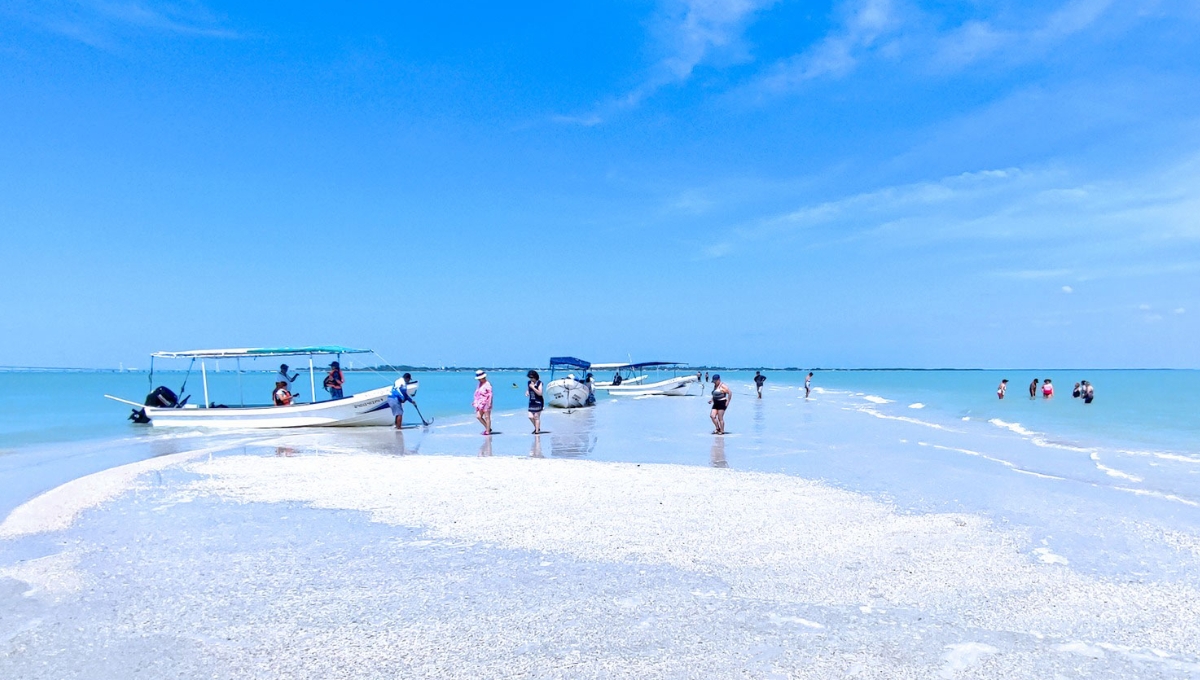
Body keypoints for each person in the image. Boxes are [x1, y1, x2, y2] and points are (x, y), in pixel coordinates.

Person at [474, 370, 493, 435]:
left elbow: (490, 395)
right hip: (480, 403)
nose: (479, 380)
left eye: (480, 378)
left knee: (487, 417)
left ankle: (487, 431)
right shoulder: (480, 384)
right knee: (478, 416)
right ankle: (488, 428)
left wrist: (489, 403)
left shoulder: (488, 384)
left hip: (486, 403)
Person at [526, 370, 544, 434]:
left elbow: (540, 393)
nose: (531, 379)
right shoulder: (529, 383)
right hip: (532, 402)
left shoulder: (539, 383)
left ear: (535, 377)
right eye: (530, 378)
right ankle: (537, 427)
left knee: (536, 417)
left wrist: (533, 387)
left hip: (538, 402)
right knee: (530, 416)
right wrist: (527, 392)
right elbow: (528, 389)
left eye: (532, 377)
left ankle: (537, 431)